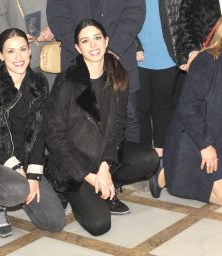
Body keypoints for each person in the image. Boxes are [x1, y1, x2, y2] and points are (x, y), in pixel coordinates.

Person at [44, 19, 159, 234]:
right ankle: (69, 188)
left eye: (97, 38)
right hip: (73, 163)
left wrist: (105, 166)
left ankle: (106, 185)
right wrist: (90, 175)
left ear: (106, 41)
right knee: (99, 225)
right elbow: (54, 137)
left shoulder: (118, 74)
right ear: (78, 48)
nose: (93, 45)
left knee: (149, 159)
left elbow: (117, 127)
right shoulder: (68, 81)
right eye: (85, 41)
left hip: (103, 154)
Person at [46, 0, 145, 143]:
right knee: (84, 118)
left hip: (119, 55)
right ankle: (91, 172)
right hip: (78, 58)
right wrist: (85, 48)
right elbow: (58, 16)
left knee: (127, 116)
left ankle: (124, 171)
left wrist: (114, 48)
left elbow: (135, 10)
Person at [0, 28, 65, 238]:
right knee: (18, 188)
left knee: (54, 221)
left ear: (29, 52)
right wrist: (15, 166)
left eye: (22, 49)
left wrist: (34, 175)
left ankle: (20, 191)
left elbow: (39, 135)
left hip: (24, 163)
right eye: (10, 51)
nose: (18, 57)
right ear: (0, 55)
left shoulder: (39, 84)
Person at [151, 8, 222, 206]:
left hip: (221, 141)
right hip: (194, 139)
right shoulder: (207, 60)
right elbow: (188, 107)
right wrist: (205, 146)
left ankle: (181, 169)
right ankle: (171, 172)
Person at [135, 0, 185, 158]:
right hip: (138, 55)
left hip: (167, 55)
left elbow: (183, 21)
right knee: (140, 110)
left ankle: (161, 158)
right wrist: (134, 46)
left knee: (163, 108)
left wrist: (182, 54)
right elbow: (121, 16)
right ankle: (145, 157)